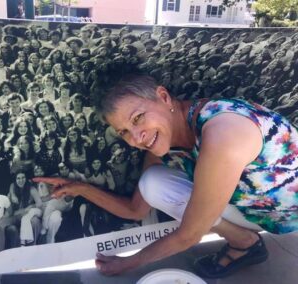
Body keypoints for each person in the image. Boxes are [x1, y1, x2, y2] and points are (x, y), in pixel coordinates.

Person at [34, 74, 298, 278]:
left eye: (138, 118)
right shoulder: (165, 142)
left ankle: (244, 243)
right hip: (253, 207)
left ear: (163, 97)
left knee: (183, 207)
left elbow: (189, 235)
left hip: (287, 213)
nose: (136, 138)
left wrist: (128, 263)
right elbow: (137, 209)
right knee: (153, 183)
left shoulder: (222, 132)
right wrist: (80, 189)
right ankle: (246, 243)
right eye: (124, 132)